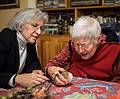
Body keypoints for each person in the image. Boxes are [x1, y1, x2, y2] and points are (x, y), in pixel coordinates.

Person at [45, 16, 120, 86]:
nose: (80, 50)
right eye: (77, 45)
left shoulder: (115, 50)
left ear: (98, 39)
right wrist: (49, 69)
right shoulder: (71, 45)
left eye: (84, 45)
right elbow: (53, 63)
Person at [0, 8, 49, 89]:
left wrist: (35, 71)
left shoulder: (29, 40)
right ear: (20, 24)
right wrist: (16, 78)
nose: (39, 32)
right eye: (34, 26)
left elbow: (34, 62)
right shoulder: (6, 36)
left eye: (41, 28)